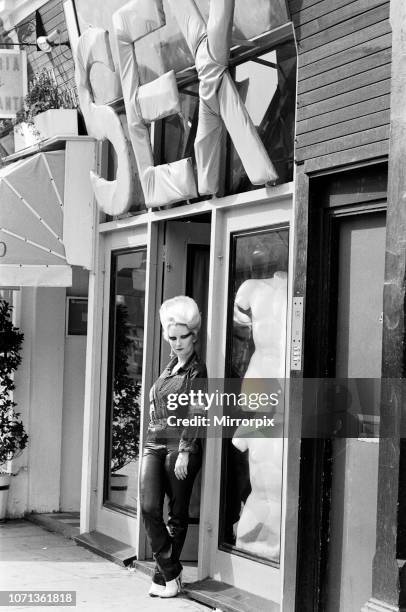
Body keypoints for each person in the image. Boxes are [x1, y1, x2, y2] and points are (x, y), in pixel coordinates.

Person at [140, 296, 207, 598]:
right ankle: (172, 570)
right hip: (154, 443)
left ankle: (161, 577)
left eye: (184, 337)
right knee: (148, 506)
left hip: (179, 445)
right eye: (173, 337)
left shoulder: (197, 370)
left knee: (176, 515)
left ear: (194, 336)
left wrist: (185, 449)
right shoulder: (168, 369)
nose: (178, 343)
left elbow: (198, 411)